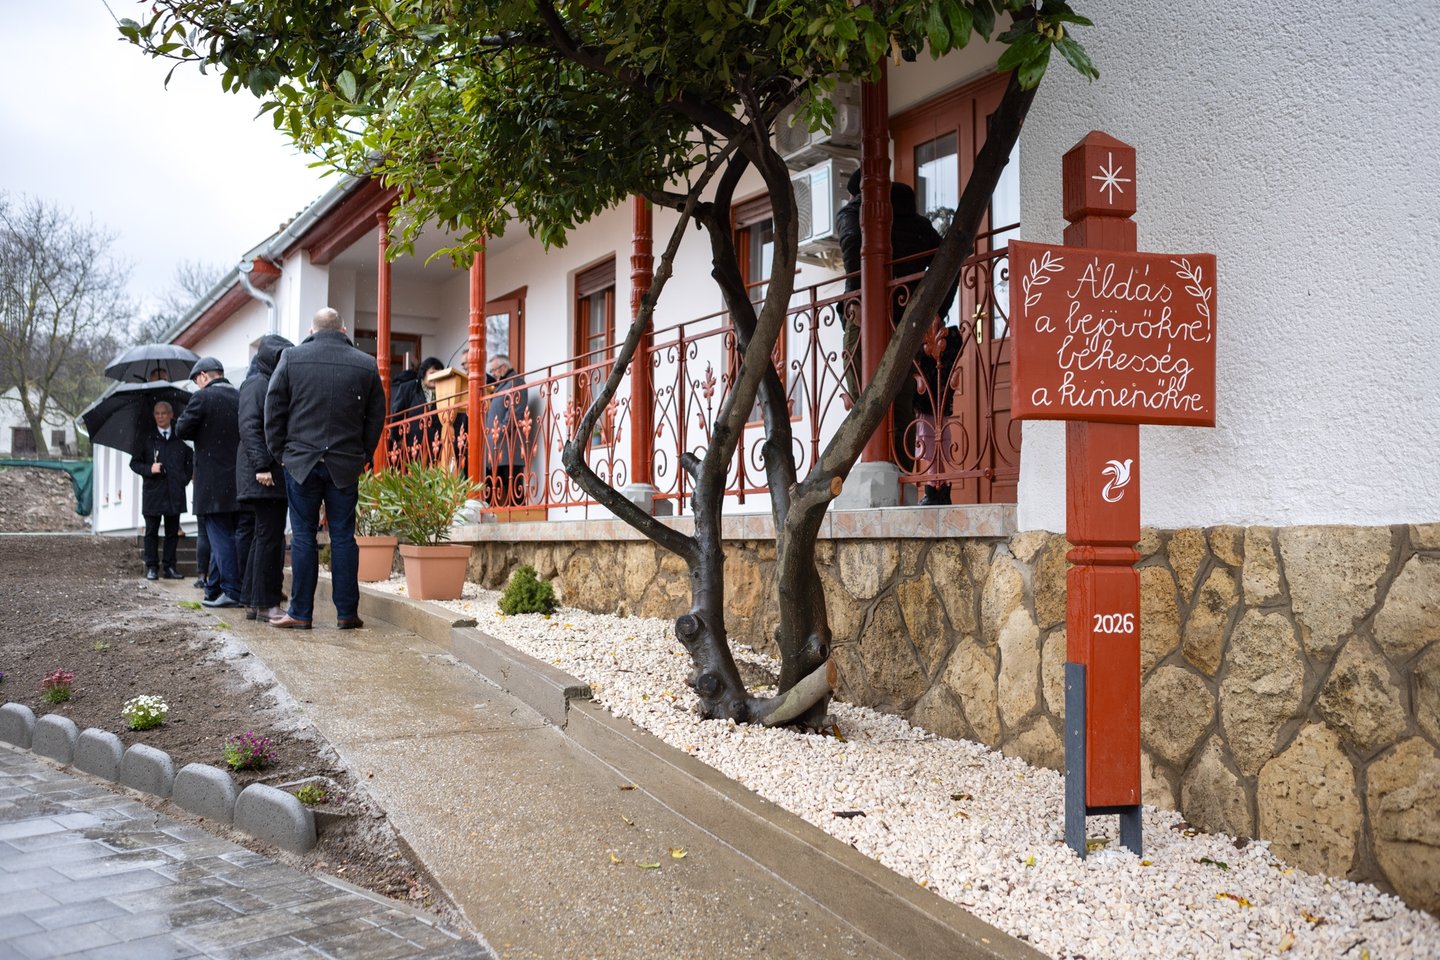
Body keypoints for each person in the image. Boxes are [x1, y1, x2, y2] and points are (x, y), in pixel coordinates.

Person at [265, 307, 386, 630]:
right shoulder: (365, 363)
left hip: (301, 462)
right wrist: (363, 454)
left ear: (312, 330)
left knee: (304, 537)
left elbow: (273, 409)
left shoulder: (291, 358)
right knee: (343, 537)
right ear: (343, 330)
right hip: (344, 464)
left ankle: (301, 613)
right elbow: (377, 415)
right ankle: (346, 613)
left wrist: (281, 453)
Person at [174, 356, 244, 608]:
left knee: (220, 538)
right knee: (227, 535)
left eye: (197, 381)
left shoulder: (202, 397)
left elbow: (181, 430)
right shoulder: (239, 396)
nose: (197, 386)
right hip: (238, 480)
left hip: (212, 482)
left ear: (203, 376)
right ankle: (213, 589)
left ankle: (232, 591)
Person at [236, 334, 293, 621]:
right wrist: (262, 466)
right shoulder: (258, 384)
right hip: (264, 475)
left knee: (263, 538)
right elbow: (249, 427)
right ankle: (267, 603)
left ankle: (252, 601)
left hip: (264, 473)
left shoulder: (263, 381)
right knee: (269, 539)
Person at [128, 400, 193, 580]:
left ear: (171, 415)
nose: (160, 417)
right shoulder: (147, 439)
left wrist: (183, 479)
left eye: (164, 413)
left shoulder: (180, 438)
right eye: (157, 413)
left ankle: (170, 567)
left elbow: (191, 461)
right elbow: (134, 463)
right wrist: (150, 469)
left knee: (172, 533)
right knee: (151, 531)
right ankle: (152, 567)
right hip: (153, 493)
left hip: (174, 492)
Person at [484, 354, 529, 506]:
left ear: (503, 368)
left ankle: (521, 515)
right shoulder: (503, 384)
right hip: (498, 446)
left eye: (494, 370)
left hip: (509, 445)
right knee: (498, 486)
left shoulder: (516, 382)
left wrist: (500, 433)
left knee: (514, 488)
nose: (493, 374)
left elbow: (515, 413)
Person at [388, 355, 443, 464]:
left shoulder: (444, 391)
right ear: (424, 373)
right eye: (432, 373)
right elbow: (397, 415)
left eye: (439, 374)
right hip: (412, 445)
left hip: (435, 447)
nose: (436, 377)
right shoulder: (408, 388)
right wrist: (398, 439)